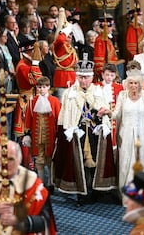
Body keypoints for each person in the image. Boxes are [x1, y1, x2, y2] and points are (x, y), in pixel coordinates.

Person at [52, 59, 117, 205]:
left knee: (94, 161)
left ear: (92, 77)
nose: (83, 80)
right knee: (79, 163)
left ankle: (95, 192)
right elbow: (65, 116)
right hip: (77, 133)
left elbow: (107, 111)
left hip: (95, 132)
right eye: (81, 77)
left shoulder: (99, 91)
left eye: (86, 77)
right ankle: (83, 194)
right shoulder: (70, 93)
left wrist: (101, 115)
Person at [0, 140, 56, 234]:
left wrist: (19, 221)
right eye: (2, 159)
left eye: (11, 159)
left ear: (19, 159)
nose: (6, 164)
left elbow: (45, 222)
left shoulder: (34, 184)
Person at [24, 76, 61, 190]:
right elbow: (28, 119)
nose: (42, 89)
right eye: (39, 87)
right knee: (39, 161)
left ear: (48, 87)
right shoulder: (32, 102)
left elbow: (59, 119)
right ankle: (41, 183)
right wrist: (27, 134)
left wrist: (59, 135)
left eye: (44, 87)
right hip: (36, 137)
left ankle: (50, 183)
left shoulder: (54, 101)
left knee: (50, 160)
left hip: (50, 137)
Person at [14, 40, 43, 141]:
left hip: (33, 99)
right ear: (29, 52)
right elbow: (36, 80)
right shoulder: (22, 66)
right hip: (26, 101)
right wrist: (35, 64)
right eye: (35, 51)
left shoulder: (28, 64)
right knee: (26, 134)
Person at [52, 8, 77, 101]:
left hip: (71, 78)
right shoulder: (59, 45)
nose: (69, 37)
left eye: (70, 35)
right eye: (68, 35)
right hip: (62, 79)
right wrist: (65, 30)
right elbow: (59, 39)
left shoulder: (70, 48)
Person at [98, 63, 123, 147]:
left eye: (112, 75)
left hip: (113, 117)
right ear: (102, 74)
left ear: (115, 75)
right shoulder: (96, 86)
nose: (109, 77)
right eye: (107, 75)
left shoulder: (119, 88)